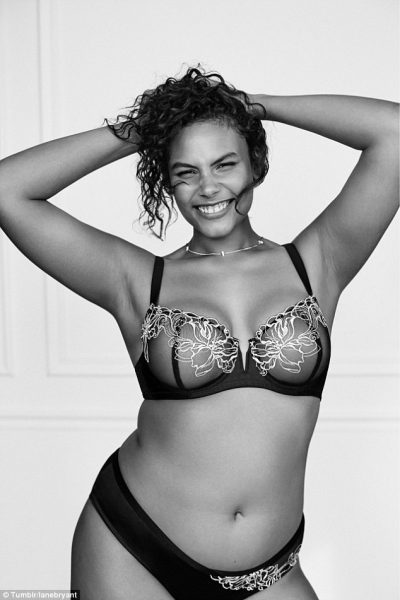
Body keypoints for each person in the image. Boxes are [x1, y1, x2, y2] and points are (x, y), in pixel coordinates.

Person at [0, 66, 398, 600]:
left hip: (268, 572)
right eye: (186, 172)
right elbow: (8, 189)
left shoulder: (318, 263)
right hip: (133, 550)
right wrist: (147, 129)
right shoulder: (136, 280)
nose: (208, 188)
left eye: (225, 164)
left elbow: (394, 133)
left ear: (255, 163)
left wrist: (253, 106)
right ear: (167, 181)